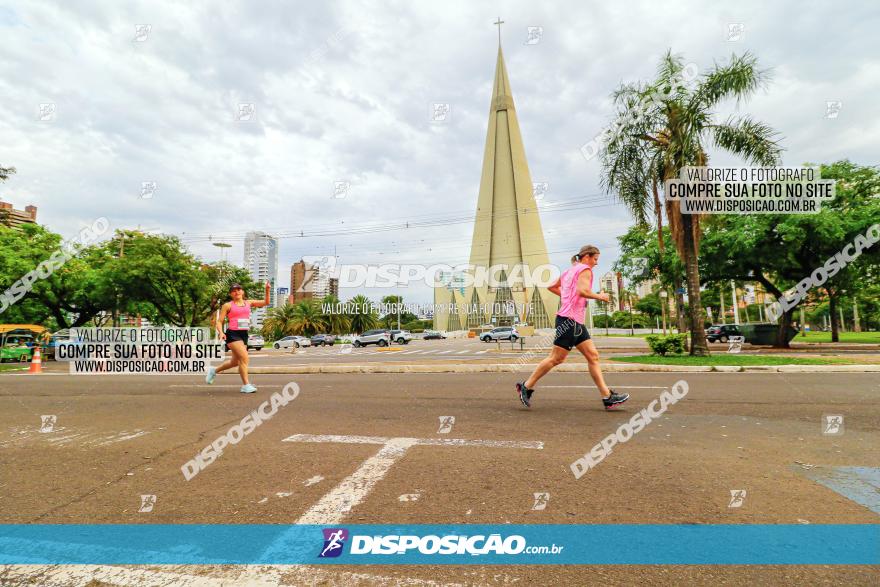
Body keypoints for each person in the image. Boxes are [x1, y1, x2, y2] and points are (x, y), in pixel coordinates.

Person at [516, 245, 629, 410]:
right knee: (556, 358)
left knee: (593, 356)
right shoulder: (585, 270)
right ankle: (526, 386)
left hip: (575, 322)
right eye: (595, 259)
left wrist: (568, 296)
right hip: (570, 321)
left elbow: (552, 287)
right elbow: (582, 290)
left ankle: (607, 397)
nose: (596, 263)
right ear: (587, 257)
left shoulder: (570, 271)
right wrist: (600, 296)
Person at [205, 282, 270, 393]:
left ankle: (214, 370)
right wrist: (221, 332)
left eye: (239, 289)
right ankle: (246, 385)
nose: (237, 292)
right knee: (244, 358)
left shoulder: (248, 303)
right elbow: (219, 321)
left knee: (235, 362)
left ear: (242, 292)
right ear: (231, 294)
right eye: (234, 291)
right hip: (232, 334)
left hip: (243, 334)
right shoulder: (228, 305)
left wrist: (267, 290)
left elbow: (266, 302)